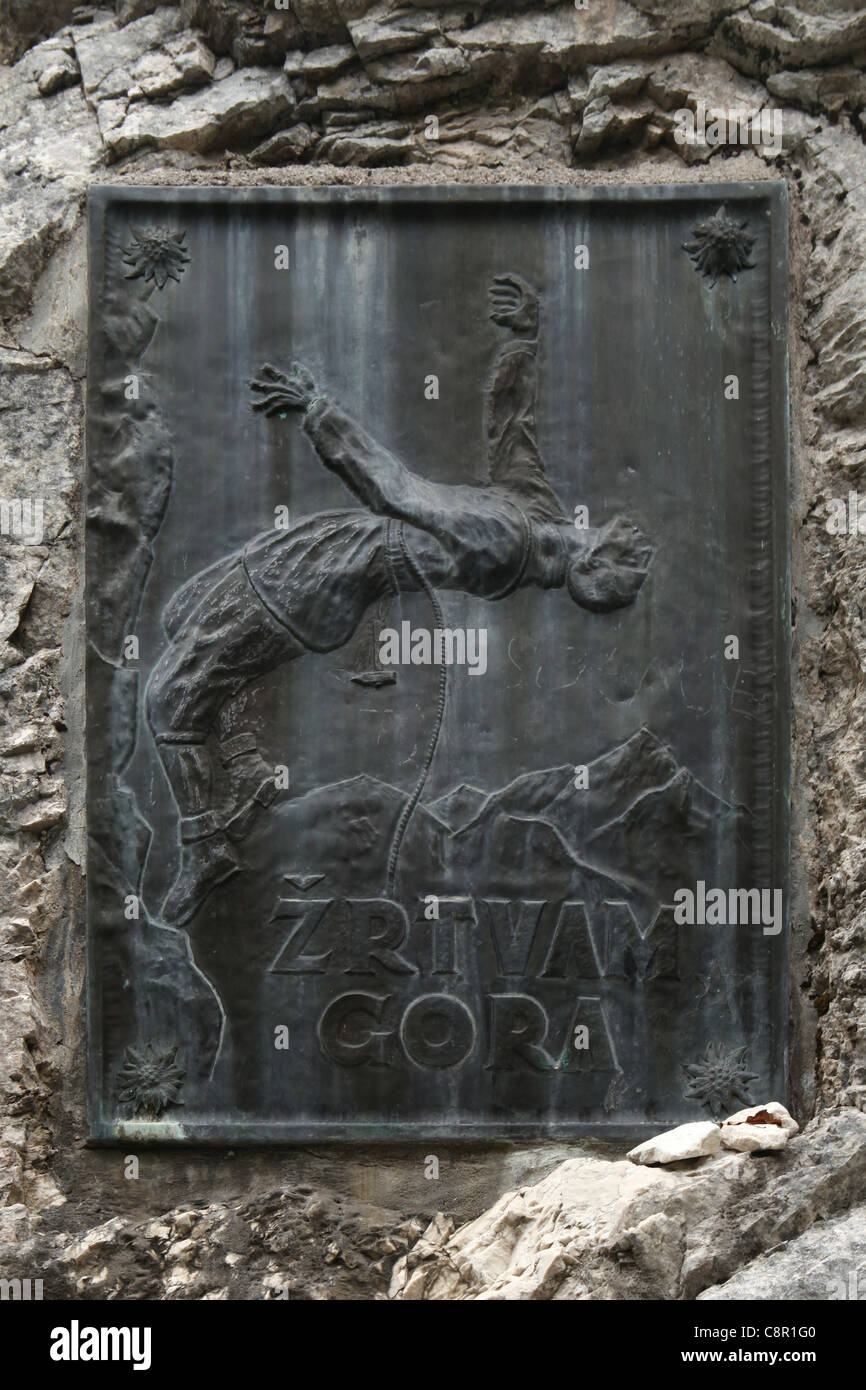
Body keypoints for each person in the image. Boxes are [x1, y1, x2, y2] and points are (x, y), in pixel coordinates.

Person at [145, 275, 653, 925]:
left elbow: (395, 492)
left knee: (169, 699)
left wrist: (319, 410)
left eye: (590, 538)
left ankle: (206, 845)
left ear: (585, 552)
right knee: (180, 611)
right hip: (322, 555)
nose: (583, 527)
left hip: (314, 581)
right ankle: (242, 771)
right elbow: (512, 427)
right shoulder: (537, 518)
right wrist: (522, 343)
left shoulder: (502, 540)